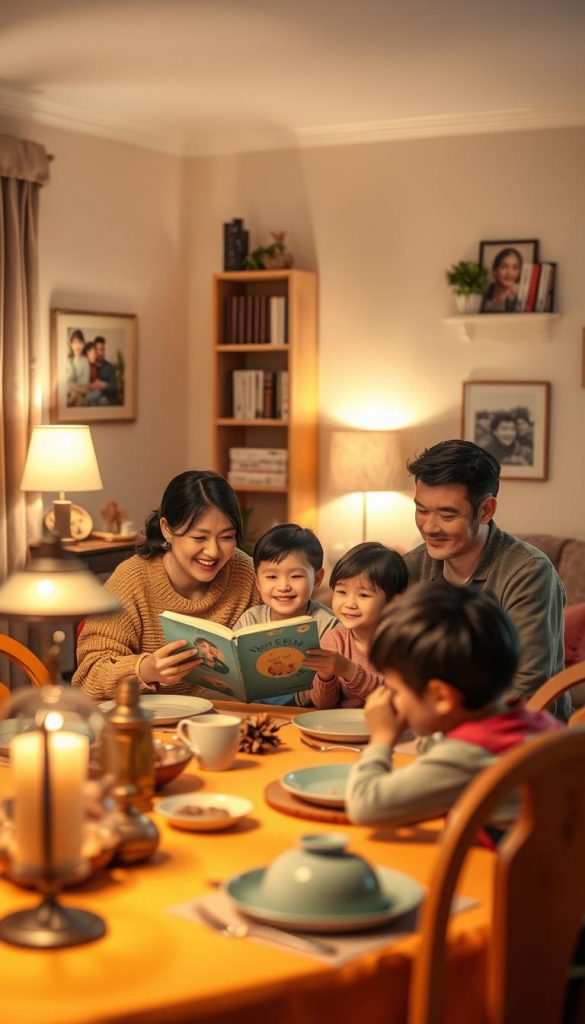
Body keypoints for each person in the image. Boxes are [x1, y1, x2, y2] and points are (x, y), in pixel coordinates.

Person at [345, 581, 562, 829]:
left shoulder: (468, 754)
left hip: (498, 866)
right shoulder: (530, 721)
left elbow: (366, 806)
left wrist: (381, 739)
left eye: (394, 690)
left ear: (441, 698)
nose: (389, 698)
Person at [403, 439, 569, 718]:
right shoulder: (412, 566)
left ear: (486, 510)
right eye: (421, 510)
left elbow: (527, 688)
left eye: (447, 513)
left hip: (520, 741)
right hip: (427, 729)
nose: (430, 527)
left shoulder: (528, 572)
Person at [73, 470, 259, 700]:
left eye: (227, 537)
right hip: (151, 724)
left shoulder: (247, 572)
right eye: (199, 538)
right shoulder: (132, 580)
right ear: (167, 530)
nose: (213, 551)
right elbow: (89, 675)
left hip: (233, 719)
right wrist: (146, 670)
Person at [233, 523, 339, 706]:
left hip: (306, 712)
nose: (283, 587)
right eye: (272, 577)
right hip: (251, 710)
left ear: (318, 579)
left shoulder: (328, 626)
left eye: (296, 576)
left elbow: (330, 697)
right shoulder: (250, 619)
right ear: (257, 582)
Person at [303, 542, 408, 710]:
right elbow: (322, 705)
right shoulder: (334, 640)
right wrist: (325, 676)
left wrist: (348, 670)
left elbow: (399, 698)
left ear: (393, 603)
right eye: (342, 592)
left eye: (363, 595)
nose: (350, 604)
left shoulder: (400, 644)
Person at [481, 247, 523, 312]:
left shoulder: (522, 297)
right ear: (494, 271)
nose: (510, 273)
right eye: (504, 267)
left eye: (515, 268)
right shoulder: (484, 296)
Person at [87, 335, 119, 405]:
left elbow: (115, 387)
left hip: (107, 399)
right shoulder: (88, 366)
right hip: (91, 396)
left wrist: (102, 384)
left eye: (103, 349)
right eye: (99, 350)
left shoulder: (110, 367)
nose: (101, 353)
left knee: (103, 401)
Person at [66, 330, 90, 406]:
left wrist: (75, 388)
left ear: (83, 344)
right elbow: (68, 382)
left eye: (80, 342)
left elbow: (85, 383)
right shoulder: (68, 361)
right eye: (74, 343)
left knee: (79, 399)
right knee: (75, 396)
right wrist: (79, 389)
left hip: (82, 394)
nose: (77, 346)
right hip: (73, 393)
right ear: (71, 345)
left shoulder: (85, 361)